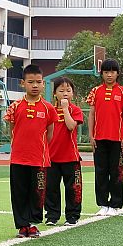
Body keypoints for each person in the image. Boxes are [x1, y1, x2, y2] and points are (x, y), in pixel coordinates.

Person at [4, 65, 56, 238]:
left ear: (43, 84)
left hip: (39, 159)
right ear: (22, 83)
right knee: (19, 193)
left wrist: (40, 148)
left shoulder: (48, 108)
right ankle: (22, 226)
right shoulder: (15, 106)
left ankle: (33, 224)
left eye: (38, 82)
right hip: (18, 159)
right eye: (30, 82)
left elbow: (50, 133)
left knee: (37, 193)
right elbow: (12, 130)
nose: (35, 85)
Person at [86, 58, 123, 216]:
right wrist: (91, 135)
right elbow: (92, 114)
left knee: (116, 172)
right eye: (106, 72)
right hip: (99, 139)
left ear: (117, 73)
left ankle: (115, 204)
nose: (109, 75)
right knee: (101, 172)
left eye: (112, 72)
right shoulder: (95, 91)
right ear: (102, 74)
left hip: (117, 140)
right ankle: (103, 204)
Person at [45, 76, 84, 226]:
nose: (65, 93)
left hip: (70, 157)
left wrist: (65, 109)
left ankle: (72, 216)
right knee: (51, 188)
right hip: (51, 157)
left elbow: (70, 126)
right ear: (55, 93)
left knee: (73, 188)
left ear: (73, 93)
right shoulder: (49, 110)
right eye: (61, 91)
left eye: (68, 90)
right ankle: (52, 215)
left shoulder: (75, 110)